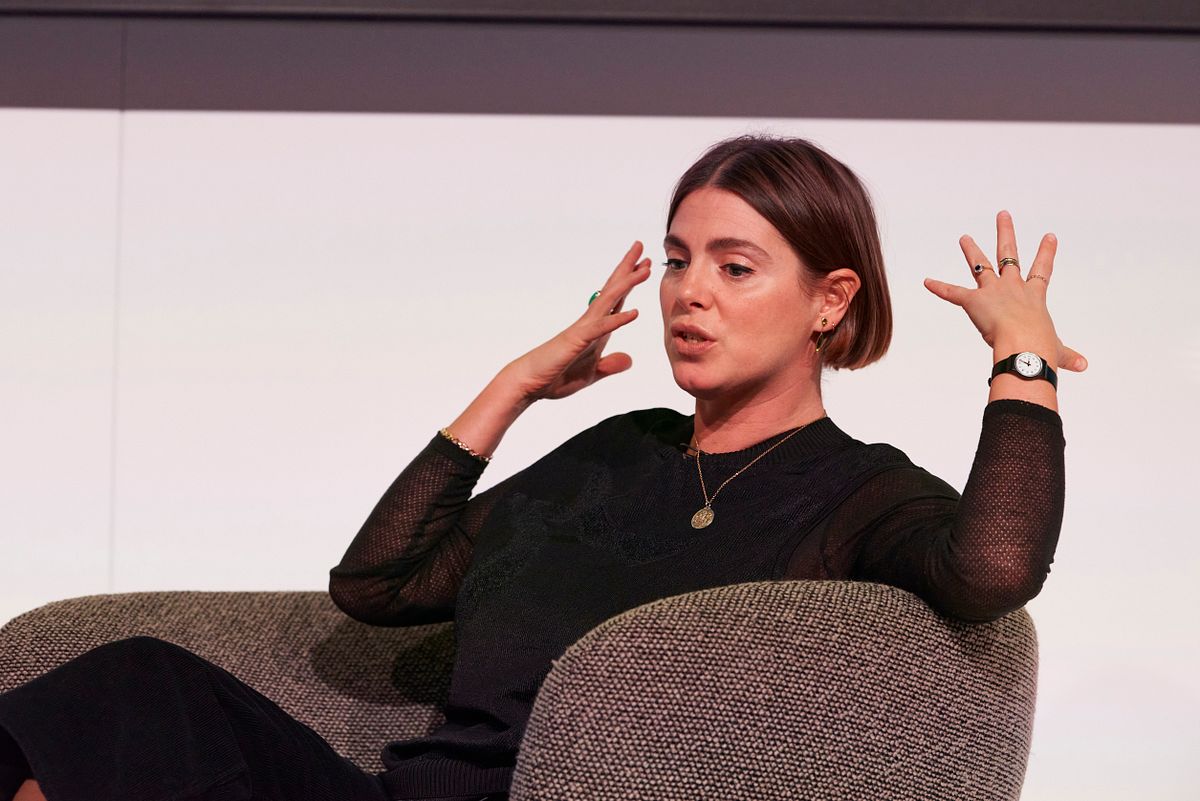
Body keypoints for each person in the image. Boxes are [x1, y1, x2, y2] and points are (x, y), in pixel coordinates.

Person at [0, 133, 1081, 801]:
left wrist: (1020, 359)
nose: (689, 293)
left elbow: (993, 568)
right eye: (678, 261)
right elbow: (377, 583)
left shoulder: (856, 491)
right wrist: (515, 385)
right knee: (134, 685)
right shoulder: (616, 454)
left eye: (735, 267)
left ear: (829, 301)